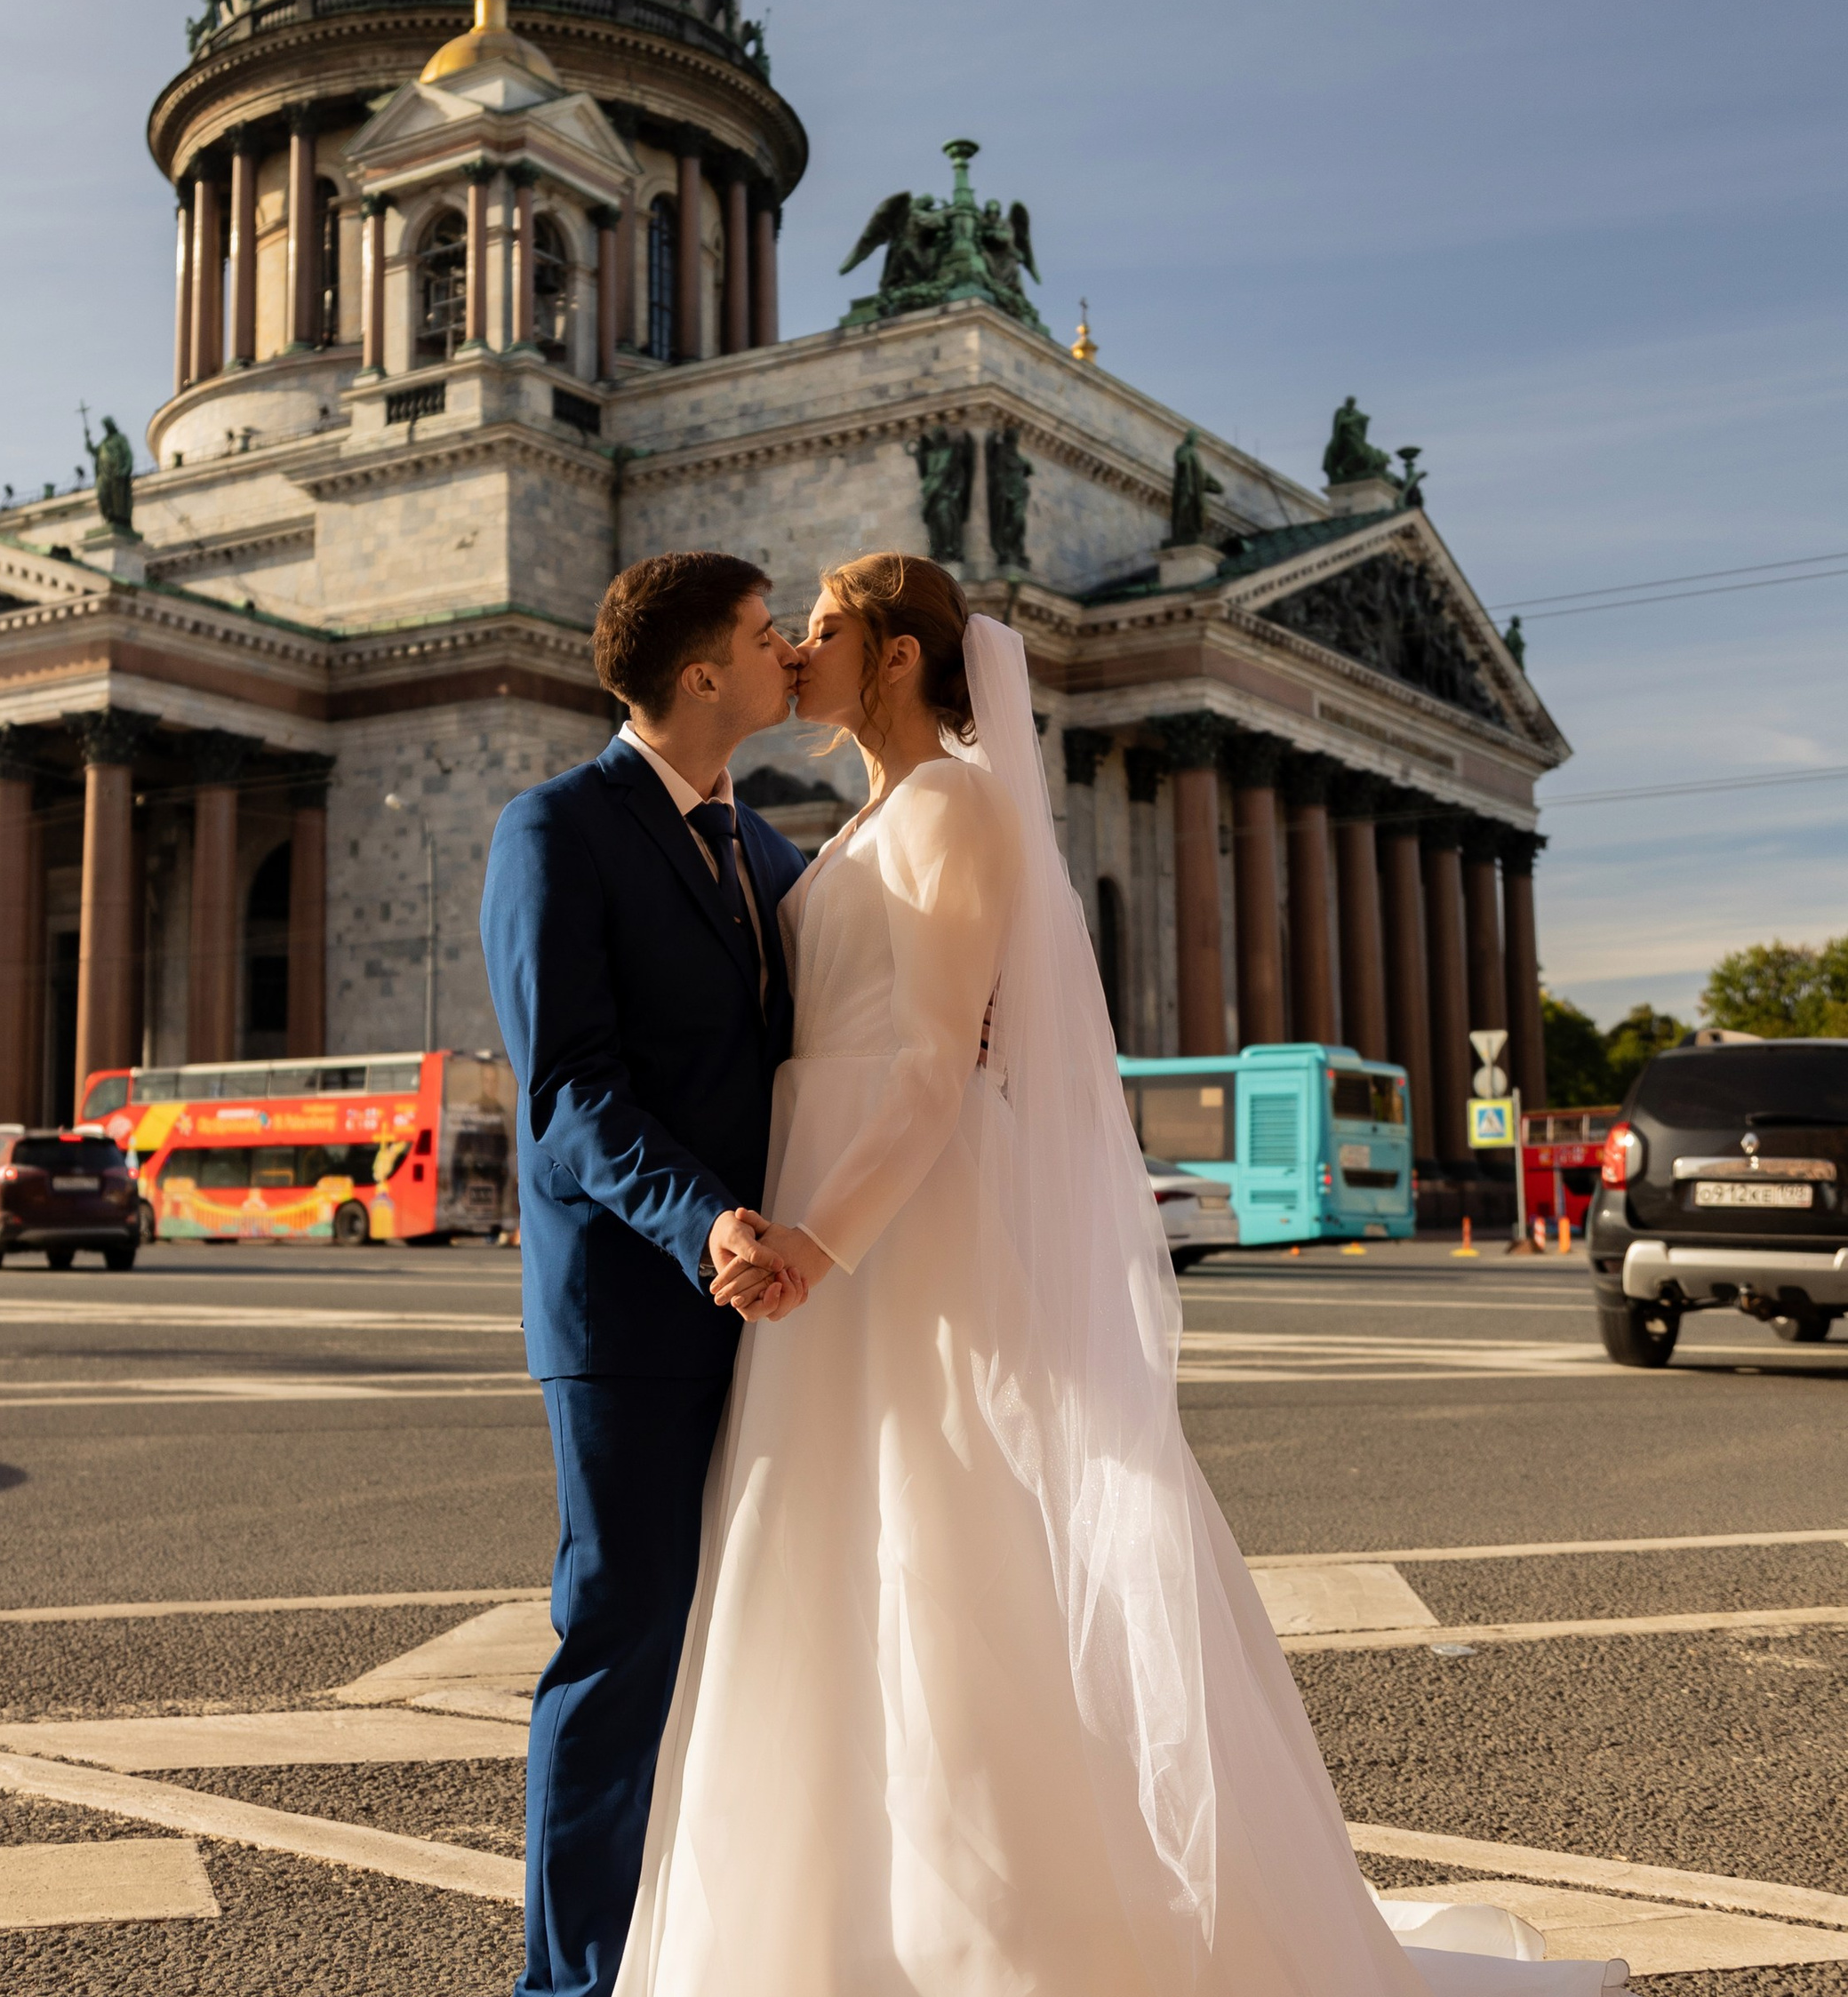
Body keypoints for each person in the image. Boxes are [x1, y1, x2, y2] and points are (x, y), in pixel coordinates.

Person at [612, 552, 1625, 1995]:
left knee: (954, 1554)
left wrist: (819, 1243)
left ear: (899, 658)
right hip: (829, 1228)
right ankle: (862, 1927)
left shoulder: (958, 800)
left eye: (821, 632)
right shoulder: (860, 817)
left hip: (897, 1233)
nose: (795, 653)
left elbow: (930, 1066)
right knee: (847, 1555)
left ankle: (1022, 1933)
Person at [479, 552, 809, 1997]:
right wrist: (704, 1220)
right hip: (631, 1305)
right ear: (698, 676)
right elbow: (569, 1093)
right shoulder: (554, 829)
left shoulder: (776, 851)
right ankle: (570, 1987)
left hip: (780, 1311)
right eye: (761, 633)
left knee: (757, 1643)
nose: (786, 648)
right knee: (620, 1645)